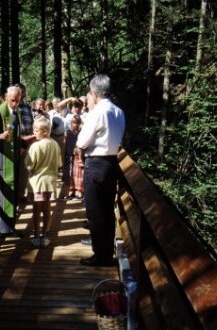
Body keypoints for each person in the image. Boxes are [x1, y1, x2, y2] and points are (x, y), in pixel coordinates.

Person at [76, 74, 125, 267]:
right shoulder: (119, 111)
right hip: (112, 162)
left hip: (96, 163)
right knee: (107, 210)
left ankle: (100, 255)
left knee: (95, 212)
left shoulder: (97, 112)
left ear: (94, 93)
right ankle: (106, 251)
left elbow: (82, 141)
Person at [0, 86, 28, 237]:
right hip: (4, 160)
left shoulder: (15, 111)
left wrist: (25, 142)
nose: (15, 104)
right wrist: (0, 137)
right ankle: (5, 230)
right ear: (6, 96)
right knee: (5, 195)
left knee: (13, 194)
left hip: (14, 158)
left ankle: (10, 227)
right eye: (12, 100)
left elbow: (16, 136)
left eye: (18, 101)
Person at [24, 117, 62, 248]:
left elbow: (29, 165)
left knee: (36, 210)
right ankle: (45, 235)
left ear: (45, 131)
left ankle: (36, 235)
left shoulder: (35, 146)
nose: (34, 133)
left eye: (36, 131)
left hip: (36, 183)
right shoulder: (55, 145)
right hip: (50, 183)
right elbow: (59, 164)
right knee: (47, 210)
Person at [60, 114, 84, 201]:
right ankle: (66, 194)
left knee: (77, 175)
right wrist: (62, 157)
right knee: (68, 174)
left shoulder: (81, 133)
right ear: (71, 123)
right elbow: (64, 145)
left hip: (77, 157)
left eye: (78, 123)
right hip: (68, 156)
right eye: (74, 123)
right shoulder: (68, 133)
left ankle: (77, 193)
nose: (76, 125)